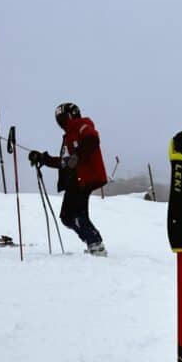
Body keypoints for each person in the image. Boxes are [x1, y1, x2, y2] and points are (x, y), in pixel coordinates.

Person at [29, 103, 108, 255]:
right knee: (66, 217)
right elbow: (64, 162)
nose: (60, 123)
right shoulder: (69, 136)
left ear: (68, 116)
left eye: (61, 118)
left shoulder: (82, 125)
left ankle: (95, 244)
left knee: (78, 214)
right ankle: (92, 241)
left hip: (84, 177)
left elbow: (92, 139)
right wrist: (43, 159)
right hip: (74, 179)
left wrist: (77, 156)